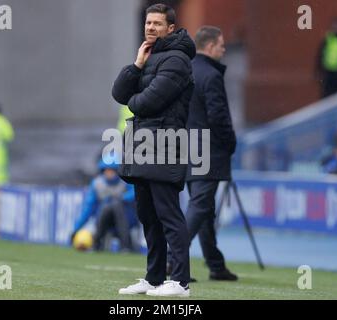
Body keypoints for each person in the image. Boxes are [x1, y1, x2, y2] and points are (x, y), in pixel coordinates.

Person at [112, 3, 195, 297]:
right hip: (143, 145)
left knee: (168, 215)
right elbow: (119, 93)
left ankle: (181, 282)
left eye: (157, 24)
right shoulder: (148, 56)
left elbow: (145, 102)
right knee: (148, 216)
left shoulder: (178, 59)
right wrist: (136, 65)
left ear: (170, 28)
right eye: (148, 23)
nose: (150, 28)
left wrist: (133, 100)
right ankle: (154, 277)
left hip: (164, 144)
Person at [167, 26, 238, 281]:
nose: (224, 49)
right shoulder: (211, 75)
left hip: (188, 148)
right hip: (208, 151)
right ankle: (172, 260)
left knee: (204, 208)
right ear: (209, 47)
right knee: (200, 207)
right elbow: (218, 116)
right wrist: (231, 142)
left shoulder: (187, 71)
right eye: (221, 45)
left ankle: (215, 265)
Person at [71, 155, 137, 252]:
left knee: (116, 204)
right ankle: (102, 242)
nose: (109, 173)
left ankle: (121, 245)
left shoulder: (126, 181)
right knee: (108, 206)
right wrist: (76, 229)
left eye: (112, 171)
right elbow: (88, 209)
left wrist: (121, 198)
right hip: (103, 220)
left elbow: (135, 194)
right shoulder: (97, 184)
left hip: (126, 218)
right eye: (107, 170)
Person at [316, 17, 337, 98]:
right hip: (329, 75)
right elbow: (320, 56)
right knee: (328, 98)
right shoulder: (327, 40)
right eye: (335, 27)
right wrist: (318, 71)